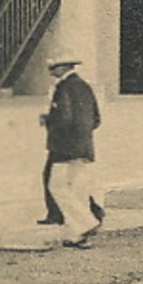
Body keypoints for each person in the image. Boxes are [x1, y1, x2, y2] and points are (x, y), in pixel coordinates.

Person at [42, 52, 104, 249]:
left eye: (54, 67)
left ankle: (86, 222)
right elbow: (96, 119)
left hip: (64, 146)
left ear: (64, 67)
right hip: (84, 146)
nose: (51, 71)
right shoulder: (85, 87)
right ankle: (76, 236)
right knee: (77, 191)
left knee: (56, 186)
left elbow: (64, 118)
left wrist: (48, 121)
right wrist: (82, 136)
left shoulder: (63, 87)